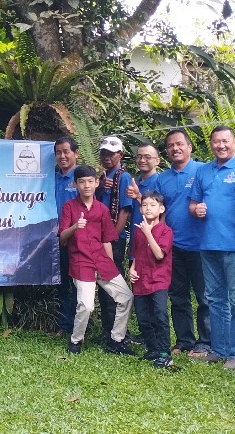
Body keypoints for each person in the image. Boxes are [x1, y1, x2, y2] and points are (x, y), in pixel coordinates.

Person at [190, 126, 235, 371]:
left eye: (226, 141)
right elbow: (193, 203)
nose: (221, 145)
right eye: (216, 141)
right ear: (211, 144)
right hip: (208, 244)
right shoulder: (203, 171)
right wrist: (196, 209)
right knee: (215, 299)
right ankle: (219, 349)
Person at [58, 165, 133, 355]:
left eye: (90, 181)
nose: (86, 186)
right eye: (82, 182)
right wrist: (75, 226)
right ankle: (76, 340)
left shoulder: (101, 209)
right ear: (75, 184)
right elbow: (62, 236)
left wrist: (109, 265)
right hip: (81, 261)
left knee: (126, 297)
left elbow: (106, 239)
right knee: (87, 305)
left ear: (96, 183)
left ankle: (116, 339)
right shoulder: (69, 207)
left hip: (101, 259)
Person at [157, 129, 211, 359]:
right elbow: (159, 212)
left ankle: (206, 342)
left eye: (180, 144)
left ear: (190, 147)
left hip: (201, 245)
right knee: (178, 297)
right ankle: (184, 340)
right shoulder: (162, 178)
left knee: (204, 297)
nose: (175, 148)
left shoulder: (204, 171)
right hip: (174, 247)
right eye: (170, 145)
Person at [127, 190, 173, 368]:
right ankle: (153, 348)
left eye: (153, 205)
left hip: (159, 279)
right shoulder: (139, 231)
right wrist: (132, 269)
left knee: (160, 314)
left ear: (161, 209)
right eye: (144, 205)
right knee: (143, 317)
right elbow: (137, 253)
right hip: (141, 279)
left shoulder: (166, 231)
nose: (148, 208)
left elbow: (159, 254)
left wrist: (148, 233)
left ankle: (165, 353)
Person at [95, 136, 134, 348]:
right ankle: (107, 328)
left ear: (120, 154)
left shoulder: (123, 177)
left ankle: (119, 332)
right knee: (103, 284)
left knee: (115, 286)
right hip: (99, 239)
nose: (107, 157)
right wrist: (100, 186)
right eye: (104, 153)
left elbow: (124, 211)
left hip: (112, 241)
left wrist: (112, 238)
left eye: (111, 154)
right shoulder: (102, 177)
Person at [53, 137, 80, 336]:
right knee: (62, 283)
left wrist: (69, 232)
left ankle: (78, 326)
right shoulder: (52, 178)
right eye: (58, 152)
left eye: (66, 151)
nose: (62, 156)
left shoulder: (82, 178)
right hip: (55, 239)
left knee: (78, 284)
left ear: (76, 153)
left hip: (76, 240)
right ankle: (64, 325)